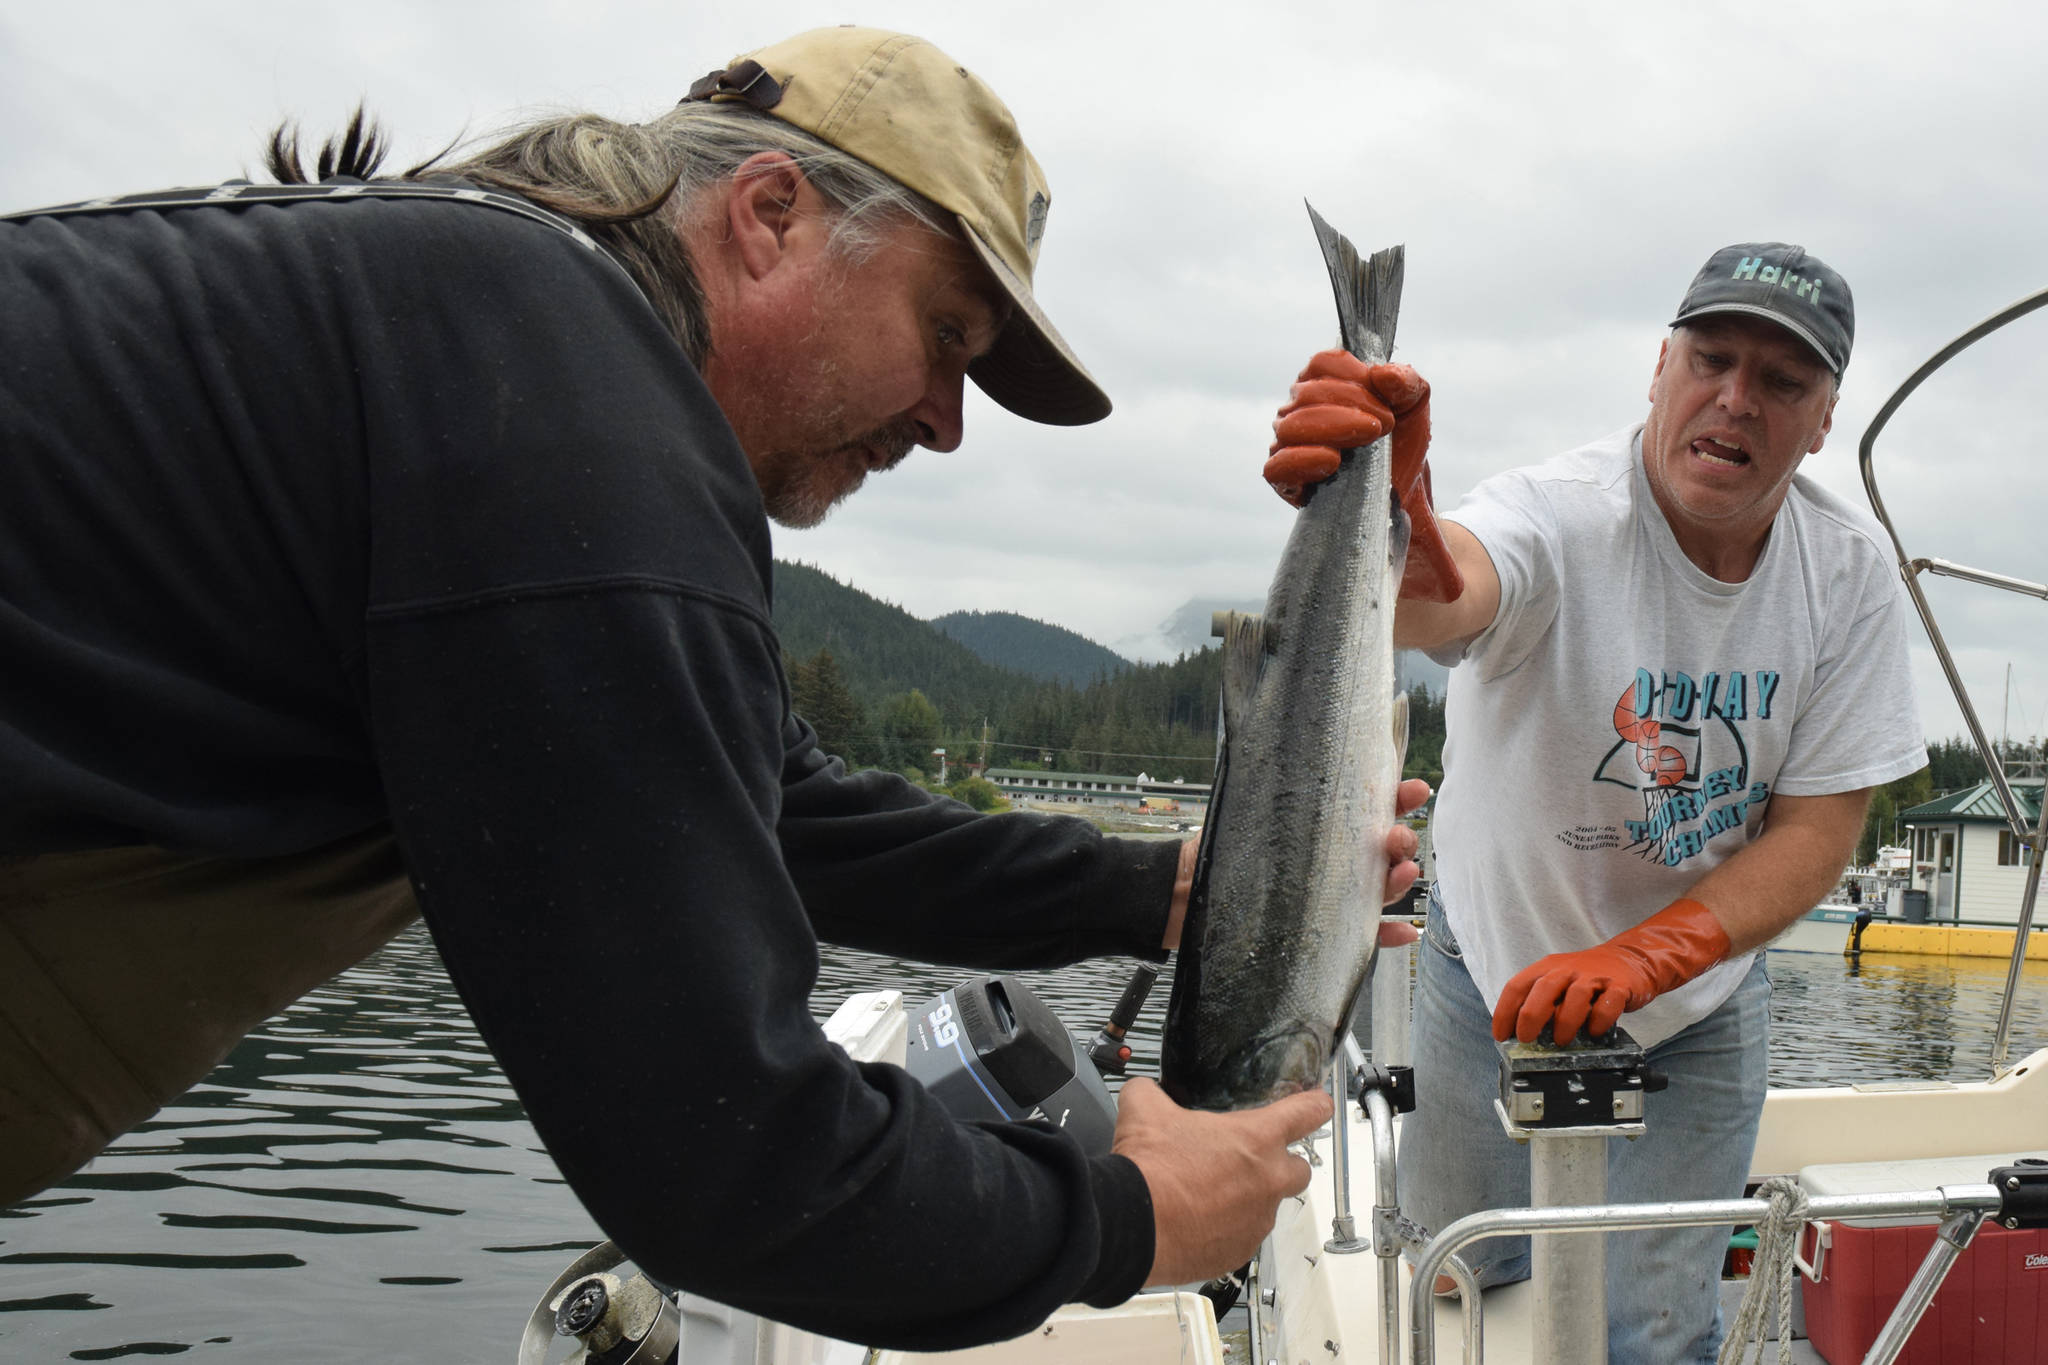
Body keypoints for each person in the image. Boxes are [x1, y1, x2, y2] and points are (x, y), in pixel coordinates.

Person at [0, 26, 1424, 1351]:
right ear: (770, 214)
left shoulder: (484, 334)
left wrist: (1161, 888)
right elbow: (731, 1154)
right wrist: (1124, 1219)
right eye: (947, 334)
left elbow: (770, 805)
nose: (945, 423)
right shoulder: (567, 436)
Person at [1264, 243, 1926, 1361]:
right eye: (1710, 360)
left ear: (1820, 421)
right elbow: (1441, 602)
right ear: (1657, 369)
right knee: (1459, 1271)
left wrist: (1653, 958)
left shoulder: (1847, 575)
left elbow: (1818, 829)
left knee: (1654, 1331)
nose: (1734, 399)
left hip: (1697, 1004)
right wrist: (1397, 518)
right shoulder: (1555, 514)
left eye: (1780, 383)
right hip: (1486, 969)